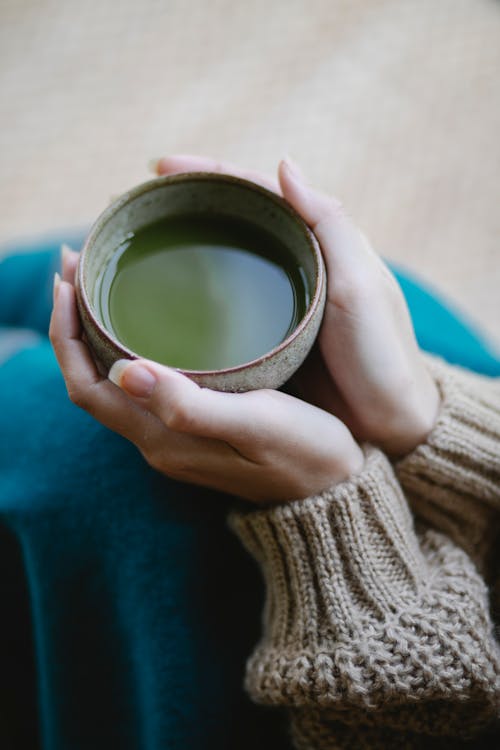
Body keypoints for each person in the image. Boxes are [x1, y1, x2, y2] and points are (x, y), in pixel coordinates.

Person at [46, 153, 500, 748]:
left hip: (363, 628)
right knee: (46, 281)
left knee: (49, 449)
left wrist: (332, 505)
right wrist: (414, 413)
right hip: (465, 413)